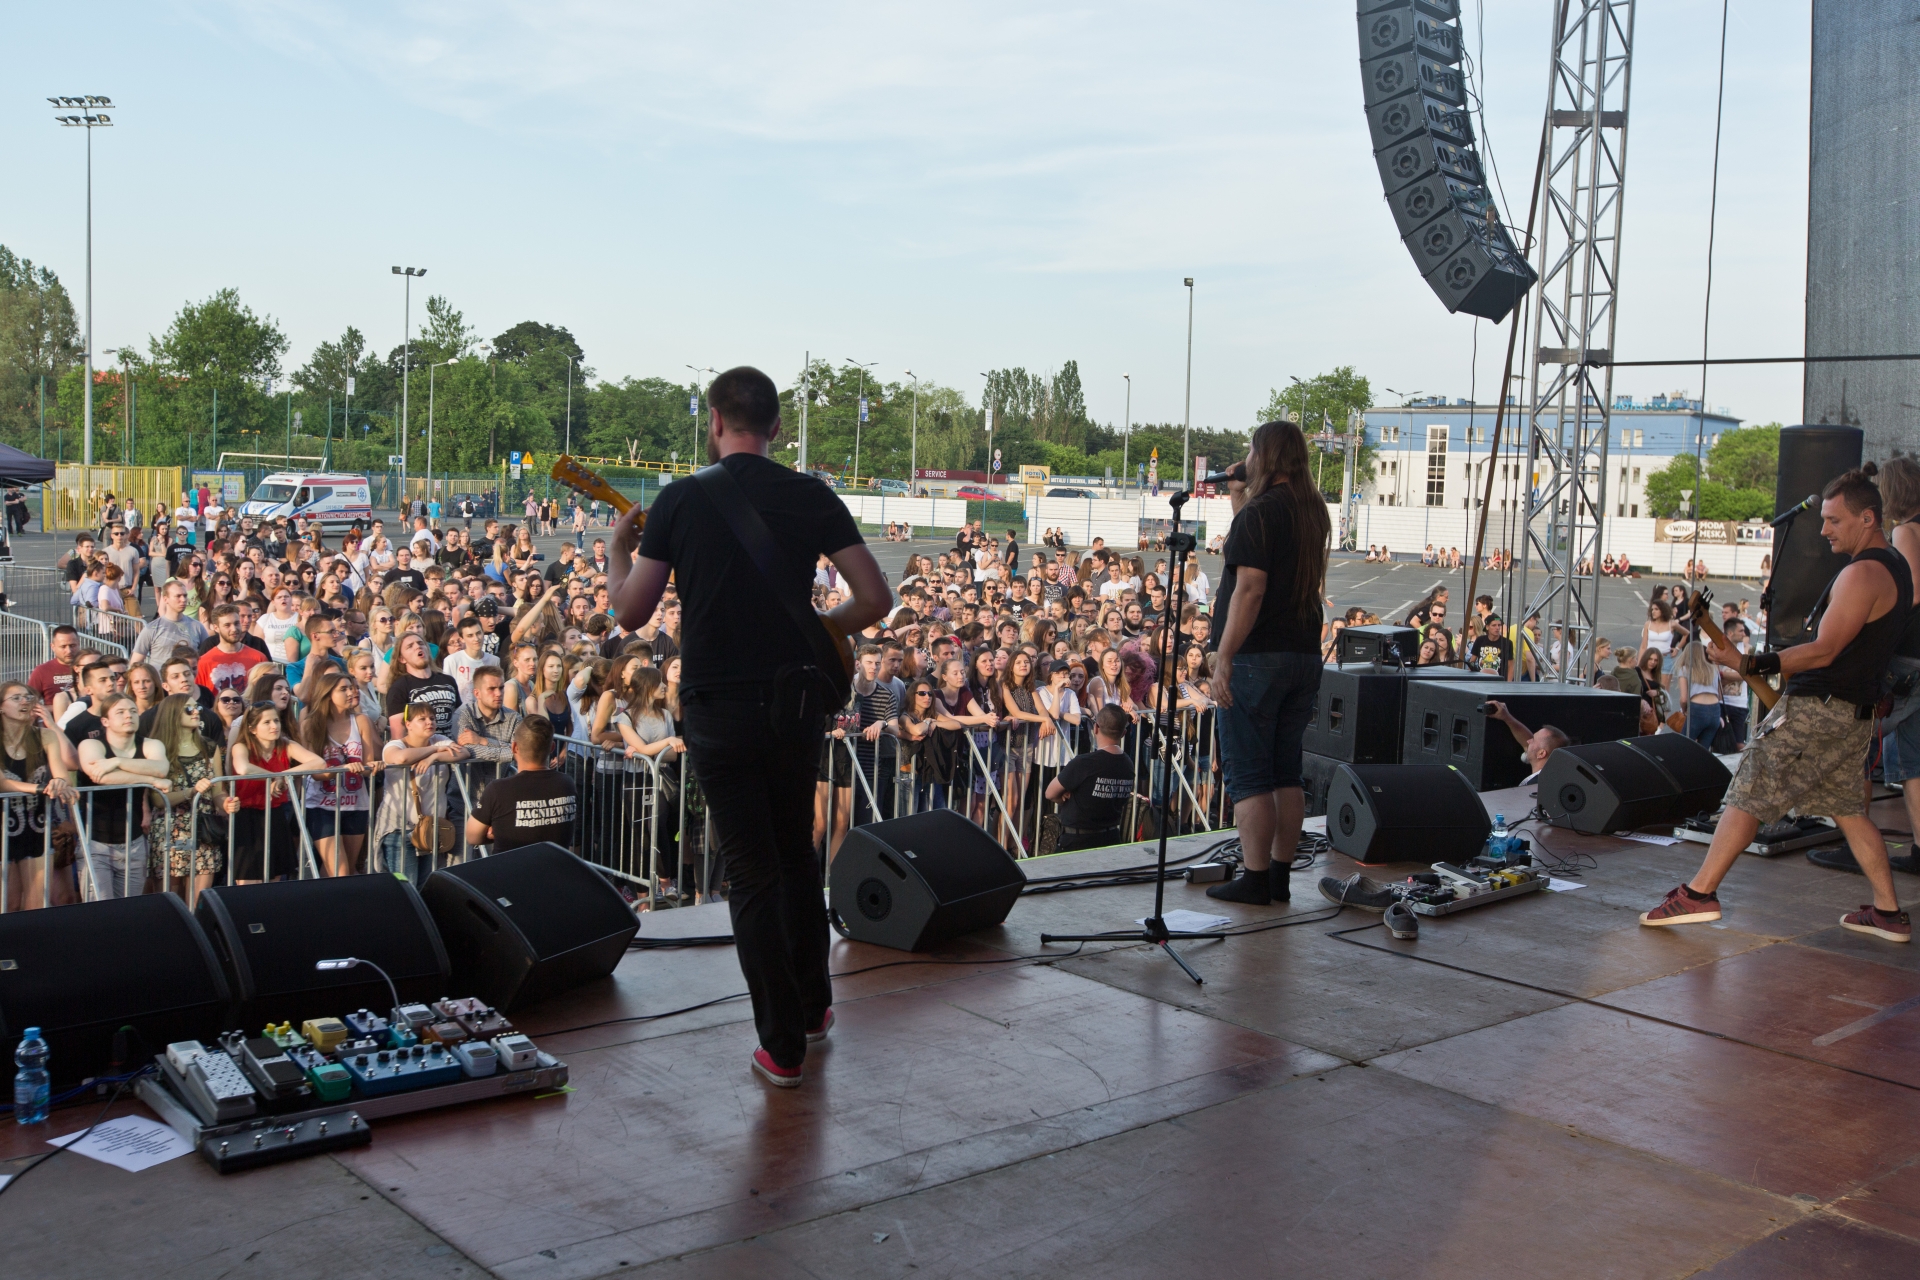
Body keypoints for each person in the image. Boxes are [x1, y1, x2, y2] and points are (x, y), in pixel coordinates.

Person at [607, 365, 890, 1089]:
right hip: (795, 703)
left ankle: (781, 1047)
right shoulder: (811, 494)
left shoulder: (682, 498)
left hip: (718, 709)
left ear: (714, 420)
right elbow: (873, 597)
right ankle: (813, 1010)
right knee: (794, 853)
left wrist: (615, 553)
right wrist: (821, 629)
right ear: (776, 428)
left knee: (753, 873)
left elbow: (631, 613)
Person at [1642, 467, 1911, 942]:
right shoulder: (1896, 567)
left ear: (1868, 518)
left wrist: (1750, 662)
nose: (1824, 530)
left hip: (1819, 710)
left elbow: (1825, 650)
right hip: (1852, 713)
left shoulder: (1863, 573)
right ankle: (1889, 913)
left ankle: (1700, 894)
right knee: (1850, 810)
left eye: (1834, 520)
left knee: (1747, 790)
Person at [1207, 419, 1331, 907]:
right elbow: (1259, 550)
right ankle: (1277, 876)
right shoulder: (1310, 510)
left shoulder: (1262, 512)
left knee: (1250, 775)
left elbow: (1251, 587)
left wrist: (1224, 657)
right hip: (1302, 654)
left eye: (1253, 451)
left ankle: (1255, 878)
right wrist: (1239, 495)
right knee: (1284, 771)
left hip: (1258, 657)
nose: (1248, 459)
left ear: (1267, 455)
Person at [147, 693, 237, 905]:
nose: (196, 712)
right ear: (172, 714)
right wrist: (190, 792)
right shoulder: (159, 749)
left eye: (197, 707)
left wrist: (226, 803)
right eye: (189, 709)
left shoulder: (209, 747)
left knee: (199, 902)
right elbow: (158, 800)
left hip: (204, 829)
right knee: (170, 903)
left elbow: (217, 791)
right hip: (170, 830)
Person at [75, 693, 167, 897]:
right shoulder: (91, 744)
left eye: (133, 711)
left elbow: (161, 769)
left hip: (134, 844)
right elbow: (100, 776)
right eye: (121, 712)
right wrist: (150, 780)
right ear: (105, 721)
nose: (129, 715)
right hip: (96, 844)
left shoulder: (151, 744)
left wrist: (116, 762)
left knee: (128, 911)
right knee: (100, 909)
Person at [0, 682, 80, 910]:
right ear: (1, 707)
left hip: (37, 826)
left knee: (36, 904)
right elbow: (3, 783)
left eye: (28, 697)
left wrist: (59, 782)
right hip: (3, 827)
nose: (25, 701)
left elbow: (62, 777)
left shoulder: (46, 736)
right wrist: (41, 788)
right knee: (8, 904)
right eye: (16, 698)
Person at [467, 715, 578, 853]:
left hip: (510, 866)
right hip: (555, 866)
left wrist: (499, 832)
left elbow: (472, 836)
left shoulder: (498, 790)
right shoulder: (567, 784)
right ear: (552, 747)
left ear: (514, 747)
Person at [1043, 703, 1135, 850]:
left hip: (1078, 841)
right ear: (1123, 733)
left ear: (1096, 728)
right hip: (1111, 839)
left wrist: (1065, 797)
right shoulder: (1128, 764)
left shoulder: (1083, 762)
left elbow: (1050, 793)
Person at [1482, 700, 1571, 783]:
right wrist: (1506, 717)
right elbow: (1528, 745)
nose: (1528, 741)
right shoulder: (1558, 778)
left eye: (1533, 740)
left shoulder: (1536, 786)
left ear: (1541, 754)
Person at [132, 580, 210, 666]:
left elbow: (209, 658)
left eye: (185, 595)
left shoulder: (197, 627)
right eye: (178, 596)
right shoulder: (151, 628)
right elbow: (135, 662)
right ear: (166, 599)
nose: (183, 600)